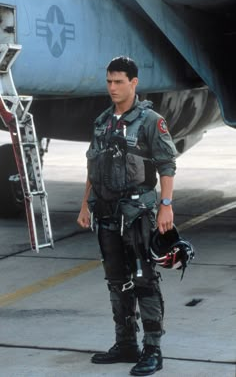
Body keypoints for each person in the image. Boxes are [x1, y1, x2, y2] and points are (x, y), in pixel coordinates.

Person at [77, 56, 176, 376]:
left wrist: (166, 205)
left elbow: (166, 165)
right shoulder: (103, 121)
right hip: (106, 214)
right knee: (116, 282)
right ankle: (125, 344)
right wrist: (84, 205)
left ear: (134, 82)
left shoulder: (150, 120)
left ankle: (153, 348)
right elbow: (93, 166)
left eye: (119, 82)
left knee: (144, 280)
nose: (112, 88)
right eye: (108, 81)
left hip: (137, 215)